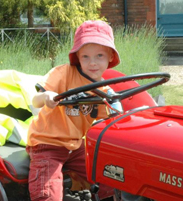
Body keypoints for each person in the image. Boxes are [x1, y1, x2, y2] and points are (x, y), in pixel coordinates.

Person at [26, 20, 121, 201]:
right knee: (47, 193)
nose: (92, 63)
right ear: (77, 56)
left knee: (110, 177)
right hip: (47, 144)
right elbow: (35, 100)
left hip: (76, 146)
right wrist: (47, 97)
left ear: (110, 56)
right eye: (85, 57)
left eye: (99, 55)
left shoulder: (105, 91)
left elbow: (112, 120)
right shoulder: (63, 73)